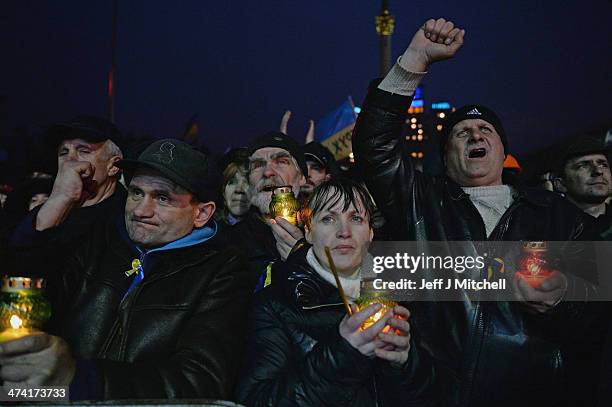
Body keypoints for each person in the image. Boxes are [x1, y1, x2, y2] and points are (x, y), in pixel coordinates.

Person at [352, 17, 598, 406]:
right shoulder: (422, 203)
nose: (475, 135)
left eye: (486, 130)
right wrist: (414, 59)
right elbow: (374, 145)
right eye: (461, 133)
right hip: (430, 393)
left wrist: (559, 303)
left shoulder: (558, 217)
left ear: (503, 151)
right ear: (446, 159)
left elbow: (597, 324)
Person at [0, 139, 252, 401]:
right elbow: (22, 293)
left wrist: (82, 379)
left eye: (162, 198)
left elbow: (200, 382)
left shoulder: (224, 270)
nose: (141, 210)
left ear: (201, 213)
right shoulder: (99, 242)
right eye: (136, 193)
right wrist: (59, 203)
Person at [236, 178, 441, 406]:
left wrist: (406, 363)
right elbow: (257, 400)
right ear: (309, 233)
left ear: (371, 233)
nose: (344, 231)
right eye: (328, 219)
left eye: (355, 218)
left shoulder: (402, 294)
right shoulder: (275, 305)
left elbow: (439, 391)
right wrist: (342, 354)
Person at [8, 116, 126, 275]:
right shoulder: (47, 211)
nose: (69, 160)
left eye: (84, 151)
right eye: (63, 152)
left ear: (113, 166)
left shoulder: (129, 217)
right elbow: (16, 269)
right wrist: (59, 200)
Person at [228, 131, 308, 289]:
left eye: (281, 161)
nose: (267, 172)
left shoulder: (329, 234)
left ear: (302, 177)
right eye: (257, 165)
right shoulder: (226, 245)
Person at [553, 136, 612, 235]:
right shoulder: (545, 228)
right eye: (582, 166)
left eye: (603, 165)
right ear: (561, 184)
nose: (598, 171)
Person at [218, 148, 251, 225]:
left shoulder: (271, 234)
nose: (239, 189)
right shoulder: (209, 233)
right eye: (232, 182)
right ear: (223, 191)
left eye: (248, 182)